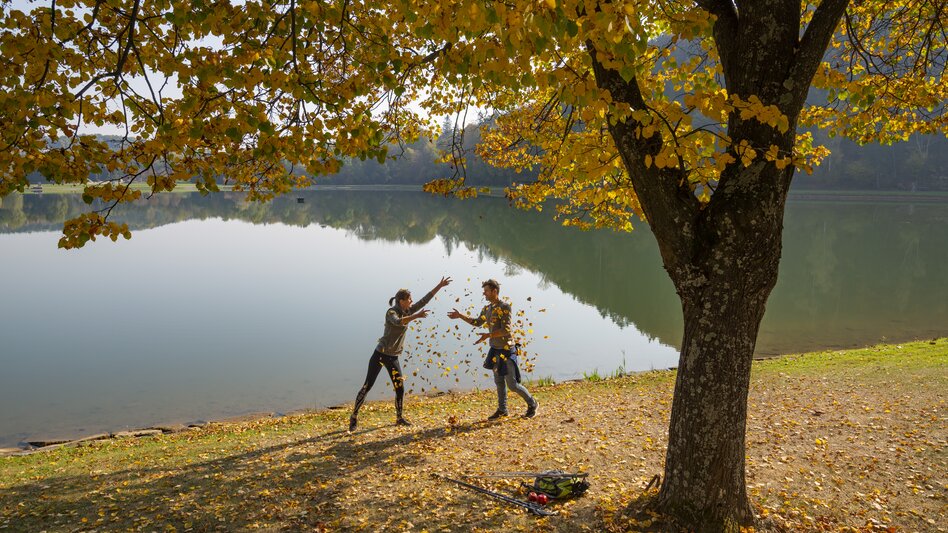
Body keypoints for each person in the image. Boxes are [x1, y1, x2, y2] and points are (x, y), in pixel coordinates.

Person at [349, 276, 452, 432]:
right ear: (401, 301)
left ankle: (399, 418)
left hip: (393, 357)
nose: (412, 301)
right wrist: (416, 316)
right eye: (409, 299)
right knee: (367, 386)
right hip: (380, 355)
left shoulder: (407, 310)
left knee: (400, 388)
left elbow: (424, 301)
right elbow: (398, 322)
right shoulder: (391, 312)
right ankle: (354, 416)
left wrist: (440, 285)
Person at [448, 279, 538, 420]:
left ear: (494, 291)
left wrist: (488, 335)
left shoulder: (505, 307)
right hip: (495, 350)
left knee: (513, 385)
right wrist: (460, 316)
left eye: (486, 291)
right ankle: (502, 410)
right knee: (499, 382)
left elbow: (505, 330)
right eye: (484, 291)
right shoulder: (487, 309)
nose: (484, 293)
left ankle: (533, 403)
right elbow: (477, 322)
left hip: (507, 349)